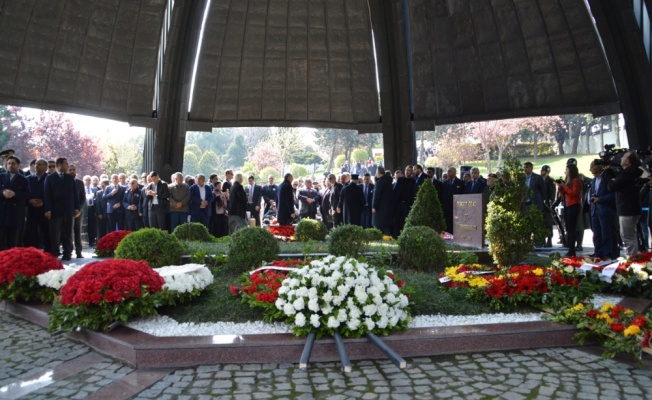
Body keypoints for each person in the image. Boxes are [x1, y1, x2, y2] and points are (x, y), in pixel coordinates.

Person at [43, 157, 80, 260]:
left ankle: (67, 253)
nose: (67, 166)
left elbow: (75, 194)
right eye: (66, 164)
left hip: (68, 210)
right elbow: (47, 195)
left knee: (68, 233)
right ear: (59, 165)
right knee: (55, 233)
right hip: (55, 211)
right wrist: (48, 210)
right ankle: (55, 253)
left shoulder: (69, 178)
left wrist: (77, 208)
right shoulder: (50, 178)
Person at [608, 151, 644, 256]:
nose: (621, 158)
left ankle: (631, 259)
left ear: (628, 161)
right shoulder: (633, 172)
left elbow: (613, 187)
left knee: (627, 236)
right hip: (632, 208)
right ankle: (632, 257)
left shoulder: (627, 173)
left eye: (623, 157)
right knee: (630, 235)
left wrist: (610, 178)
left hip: (627, 208)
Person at [588, 161, 615, 258]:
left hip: (604, 209)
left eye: (591, 167)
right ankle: (597, 252)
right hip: (595, 210)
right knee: (596, 234)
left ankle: (607, 253)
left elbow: (612, 194)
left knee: (606, 233)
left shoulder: (606, 179)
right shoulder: (594, 180)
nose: (590, 170)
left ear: (598, 167)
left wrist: (600, 199)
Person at [0, 156, 28, 249]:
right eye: (9, 163)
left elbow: (27, 194)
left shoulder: (23, 180)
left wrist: (15, 194)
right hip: (2, 214)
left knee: (14, 242)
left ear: (18, 165)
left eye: (13, 163)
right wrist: (3, 193)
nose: (11, 165)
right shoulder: (1, 177)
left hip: (15, 215)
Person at [556, 164, 583, 257]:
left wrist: (565, 186)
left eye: (566, 169)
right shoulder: (568, 181)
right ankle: (570, 247)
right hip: (567, 205)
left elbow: (573, 193)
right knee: (568, 228)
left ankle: (572, 249)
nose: (565, 171)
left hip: (574, 205)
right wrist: (560, 186)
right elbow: (564, 194)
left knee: (571, 228)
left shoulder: (575, 180)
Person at [25, 159, 49, 251]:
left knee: (46, 231)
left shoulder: (49, 178)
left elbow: (52, 194)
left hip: (44, 209)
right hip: (31, 209)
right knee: (31, 232)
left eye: (39, 164)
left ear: (45, 167)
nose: (36, 166)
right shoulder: (28, 179)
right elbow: (25, 193)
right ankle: (33, 252)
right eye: (35, 164)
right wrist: (30, 200)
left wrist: (43, 201)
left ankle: (48, 252)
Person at [68, 164, 86, 258]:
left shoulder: (79, 183)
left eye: (73, 170)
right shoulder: (64, 183)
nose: (72, 171)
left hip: (78, 211)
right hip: (68, 212)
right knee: (69, 232)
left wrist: (78, 209)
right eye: (70, 170)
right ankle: (69, 251)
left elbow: (83, 197)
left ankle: (79, 252)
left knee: (77, 232)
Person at [442, 167, 465, 233]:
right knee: (447, 224)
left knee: (455, 225)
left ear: (454, 172)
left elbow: (462, 196)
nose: (448, 173)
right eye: (448, 171)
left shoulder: (461, 183)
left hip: (456, 208)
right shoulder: (444, 183)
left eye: (450, 171)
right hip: (446, 208)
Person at [393, 165, 415, 237]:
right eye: (406, 170)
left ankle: (405, 235)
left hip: (407, 204)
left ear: (412, 172)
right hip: (399, 204)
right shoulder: (400, 180)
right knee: (397, 220)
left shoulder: (413, 182)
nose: (407, 172)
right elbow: (395, 191)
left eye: (409, 170)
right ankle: (396, 235)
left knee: (405, 221)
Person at [372, 166, 393, 235]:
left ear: (378, 173)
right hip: (388, 209)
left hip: (380, 210)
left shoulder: (379, 182)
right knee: (386, 229)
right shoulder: (389, 182)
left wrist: (374, 206)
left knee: (378, 229)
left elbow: (377, 195)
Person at [540, 165, 556, 247]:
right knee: (542, 223)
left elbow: (552, 194)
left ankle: (549, 240)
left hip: (548, 205)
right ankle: (542, 239)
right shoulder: (539, 180)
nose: (541, 172)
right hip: (541, 204)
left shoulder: (551, 181)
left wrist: (550, 203)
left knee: (548, 223)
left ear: (547, 172)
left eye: (543, 171)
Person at [82, 175, 97, 246]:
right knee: (84, 225)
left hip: (92, 209)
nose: (88, 181)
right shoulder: (82, 189)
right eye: (86, 180)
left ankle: (92, 240)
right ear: (84, 181)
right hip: (84, 209)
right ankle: (85, 241)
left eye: (89, 180)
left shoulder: (94, 189)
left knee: (92, 225)